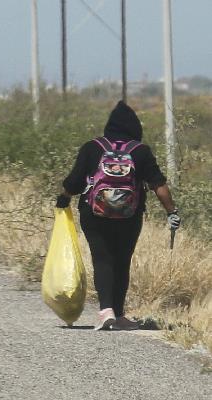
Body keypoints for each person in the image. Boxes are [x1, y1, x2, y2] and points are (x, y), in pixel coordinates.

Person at [56, 101, 181, 331]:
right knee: (122, 261)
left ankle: (106, 311)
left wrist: (63, 198)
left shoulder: (92, 147)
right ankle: (120, 314)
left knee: (102, 258)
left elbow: (74, 182)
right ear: (134, 128)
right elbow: (159, 185)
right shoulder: (140, 151)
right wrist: (171, 212)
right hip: (129, 217)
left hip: (94, 214)